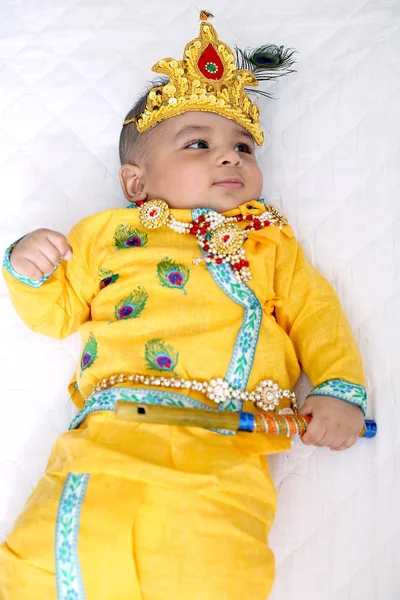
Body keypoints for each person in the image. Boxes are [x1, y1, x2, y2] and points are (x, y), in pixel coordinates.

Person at [0, 12, 366, 600]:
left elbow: (317, 315)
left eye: (243, 147)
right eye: (199, 143)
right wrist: (28, 267)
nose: (230, 158)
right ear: (136, 183)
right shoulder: (104, 236)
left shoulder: (270, 244)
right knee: (49, 558)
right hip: (113, 430)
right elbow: (56, 314)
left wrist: (337, 387)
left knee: (218, 565)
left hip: (230, 444)